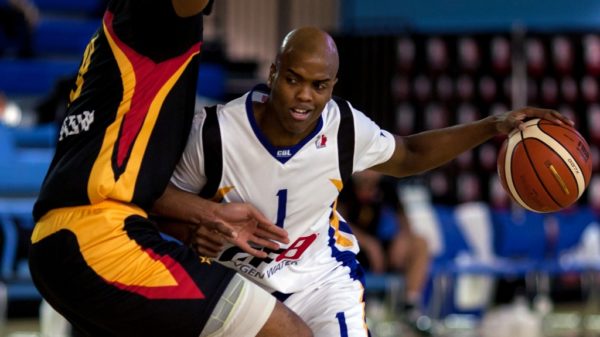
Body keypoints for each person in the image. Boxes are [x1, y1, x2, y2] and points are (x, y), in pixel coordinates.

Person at [154, 26, 573, 337]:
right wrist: (193, 231)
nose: (304, 96)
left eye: (319, 86)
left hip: (321, 279)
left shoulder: (346, 128)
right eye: (293, 79)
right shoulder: (214, 133)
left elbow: (409, 154)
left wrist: (492, 126)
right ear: (273, 72)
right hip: (237, 282)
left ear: (332, 86)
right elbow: (155, 202)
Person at [28, 1, 313, 336]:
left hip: (59, 242)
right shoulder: (155, 17)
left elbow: (126, 179)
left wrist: (209, 213)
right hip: (99, 242)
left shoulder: (124, 31)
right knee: (288, 332)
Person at [337, 170, 430, 320]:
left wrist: (402, 238)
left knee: (420, 243)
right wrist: (369, 244)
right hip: (351, 246)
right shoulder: (345, 186)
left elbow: (404, 222)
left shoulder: (387, 186)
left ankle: (410, 304)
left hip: (380, 248)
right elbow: (338, 223)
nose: (369, 174)